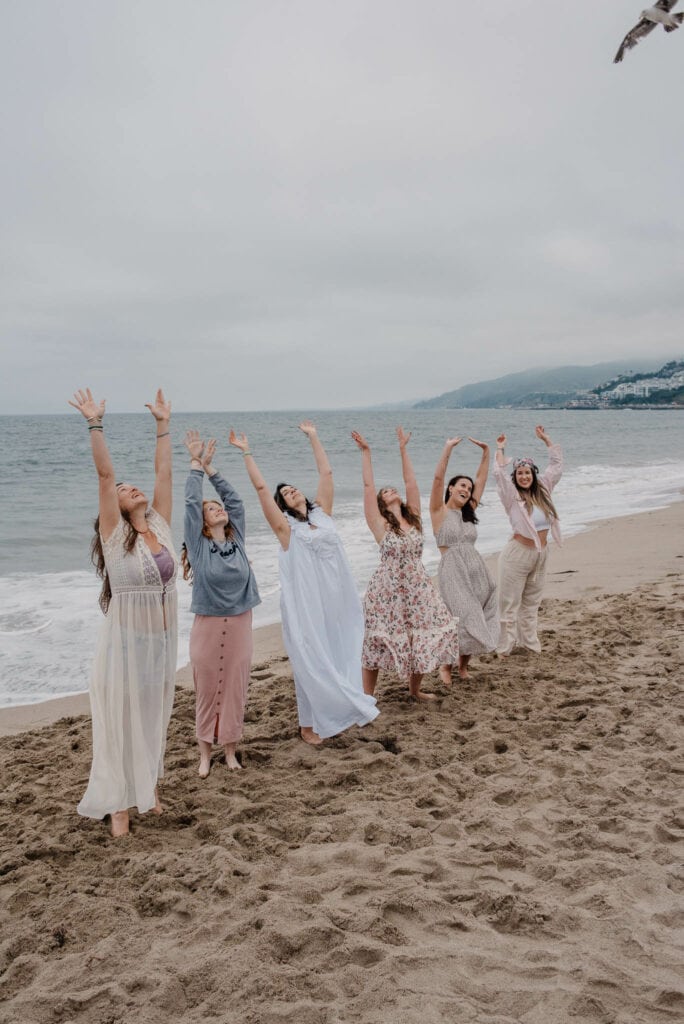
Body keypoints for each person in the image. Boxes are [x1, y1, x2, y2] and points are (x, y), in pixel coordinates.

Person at [69, 387, 177, 838]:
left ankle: (144, 787)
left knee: (151, 717)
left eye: (133, 487)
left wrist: (162, 425)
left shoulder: (159, 526)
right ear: (111, 506)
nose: (129, 487)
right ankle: (117, 805)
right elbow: (105, 473)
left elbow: (164, 471)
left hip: (160, 646)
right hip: (123, 648)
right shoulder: (115, 537)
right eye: (122, 490)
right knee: (119, 722)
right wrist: (95, 423)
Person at [229, 420, 378, 745]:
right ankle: (308, 725)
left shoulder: (323, 514)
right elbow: (261, 491)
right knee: (312, 658)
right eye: (285, 493)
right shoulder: (286, 531)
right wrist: (247, 453)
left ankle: (340, 710)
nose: (290, 491)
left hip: (338, 597)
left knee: (343, 650)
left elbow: (326, 475)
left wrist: (313, 436)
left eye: (292, 488)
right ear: (282, 505)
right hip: (307, 604)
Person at [351, 427, 459, 702]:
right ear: (381, 502)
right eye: (386, 491)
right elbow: (367, 486)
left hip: (416, 587)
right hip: (386, 590)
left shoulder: (414, 519)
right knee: (377, 638)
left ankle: (414, 690)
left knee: (421, 636)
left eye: (392, 489)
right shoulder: (380, 524)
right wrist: (366, 453)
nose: (391, 490)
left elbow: (411, 482)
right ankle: (367, 697)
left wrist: (403, 449)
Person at [182, 431, 261, 778]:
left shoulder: (237, 540)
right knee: (207, 688)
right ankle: (204, 753)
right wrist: (195, 465)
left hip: (241, 621)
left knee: (234, 689)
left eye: (219, 507)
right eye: (211, 508)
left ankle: (229, 751)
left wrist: (213, 470)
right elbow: (190, 503)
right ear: (201, 524)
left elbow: (237, 502)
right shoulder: (199, 549)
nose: (219, 509)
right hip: (209, 625)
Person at [430, 435, 499, 683]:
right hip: (452, 570)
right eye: (461, 486)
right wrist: (447, 448)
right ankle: (445, 667)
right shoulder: (439, 512)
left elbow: (481, 479)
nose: (466, 490)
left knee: (478, 612)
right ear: (451, 488)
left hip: (476, 570)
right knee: (458, 616)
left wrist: (486, 452)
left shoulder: (469, 513)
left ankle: (463, 666)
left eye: (468, 489)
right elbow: (437, 478)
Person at [494, 425, 563, 655]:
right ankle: (505, 648)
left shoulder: (543, 488)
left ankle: (529, 646)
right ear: (515, 476)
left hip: (541, 554)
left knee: (531, 603)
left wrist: (546, 439)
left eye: (528, 472)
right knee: (509, 605)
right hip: (517, 554)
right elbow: (498, 475)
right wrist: (501, 449)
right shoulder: (511, 496)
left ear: (534, 474)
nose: (524, 476)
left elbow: (556, 466)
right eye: (520, 473)